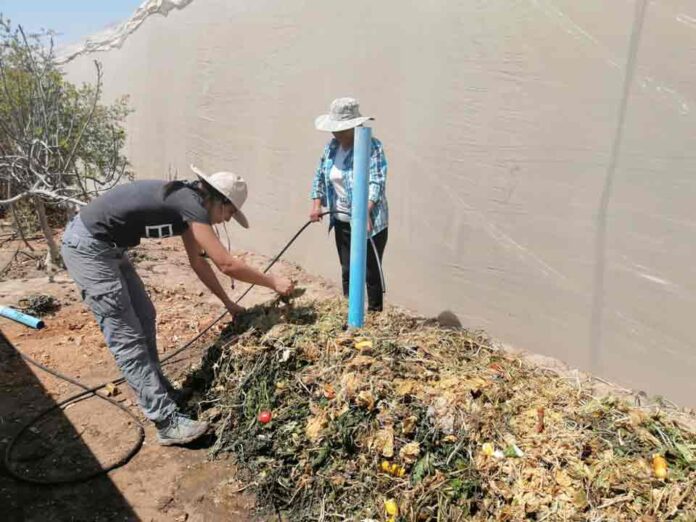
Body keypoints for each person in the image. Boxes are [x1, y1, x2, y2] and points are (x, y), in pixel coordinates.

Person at [61, 165, 294, 446]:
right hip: (89, 247)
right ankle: (165, 421)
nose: (227, 220)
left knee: (145, 315)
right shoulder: (191, 204)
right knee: (127, 337)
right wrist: (272, 282)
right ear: (219, 200)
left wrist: (228, 303)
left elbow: (199, 263)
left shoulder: (188, 207)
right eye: (230, 213)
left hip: (109, 247)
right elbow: (227, 263)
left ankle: (160, 390)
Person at [309, 97, 388, 312]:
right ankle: (349, 310)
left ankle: (374, 313)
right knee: (347, 268)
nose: (335, 134)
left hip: (369, 222)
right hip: (341, 219)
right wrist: (317, 203)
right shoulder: (332, 147)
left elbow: (376, 182)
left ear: (354, 127)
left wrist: (364, 213)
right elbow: (320, 175)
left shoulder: (372, 147)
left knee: (370, 271)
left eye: (340, 130)